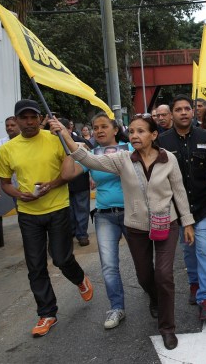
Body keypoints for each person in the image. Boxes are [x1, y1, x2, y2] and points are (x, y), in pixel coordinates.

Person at [49, 114, 195, 350]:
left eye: (141, 131)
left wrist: (187, 222)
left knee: (164, 275)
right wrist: (65, 133)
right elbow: (86, 157)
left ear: (154, 135)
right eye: (133, 132)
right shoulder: (122, 159)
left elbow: (179, 192)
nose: (135, 135)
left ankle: (167, 328)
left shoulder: (169, 159)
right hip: (136, 228)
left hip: (167, 224)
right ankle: (154, 298)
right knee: (145, 276)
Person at [0, 100, 94, 338]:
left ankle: (80, 278)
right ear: (16, 120)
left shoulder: (55, 139)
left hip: (58, 207)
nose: (29, 122)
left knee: (61, 258)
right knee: (35, 265)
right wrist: (19, 194)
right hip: (28, 214)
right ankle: (47, 313)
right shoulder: (7, 149)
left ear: (40, 119)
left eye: (33, 117)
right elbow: (5, 183)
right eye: (24, 118)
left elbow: (69, 172)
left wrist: (53, 184)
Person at [61, 113, 130, 329]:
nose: (99, 131)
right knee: (109, 266)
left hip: (133, 213)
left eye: (103, 127)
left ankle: (154, 295)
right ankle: (116, 307)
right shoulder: (89, 154)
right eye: (95, 128)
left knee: (143, 262)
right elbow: (67, 174)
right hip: (104, 215)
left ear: (115, 129)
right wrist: (69, 149)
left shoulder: (131, 147)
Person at [158, 95, 206, 322]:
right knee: (189, 249)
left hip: (205, 206)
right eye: (178, 109)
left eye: (187, 109)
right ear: (171, 114)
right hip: (178, 209)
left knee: (203, 247)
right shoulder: (162, 142)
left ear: (193, 113)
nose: (183, 112)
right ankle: (194, 282)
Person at [60, 117, 92, 247]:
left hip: (80, 182)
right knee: (68, 211)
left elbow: (92, 159)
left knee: (82, 209)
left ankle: (82, 235)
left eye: (62, 129)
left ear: (69, 128)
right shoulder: (53, 144)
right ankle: (71, 233)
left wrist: (92, 177)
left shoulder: (81, 142)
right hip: (62, 184)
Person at [0, 116, 20, 199]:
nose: (9, 128)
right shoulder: (0, 143)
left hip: (33, 183)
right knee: (20, 209)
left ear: (19, 125)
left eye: (13, 125)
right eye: (7, 126)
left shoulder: (28, 140)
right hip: (15, 188)